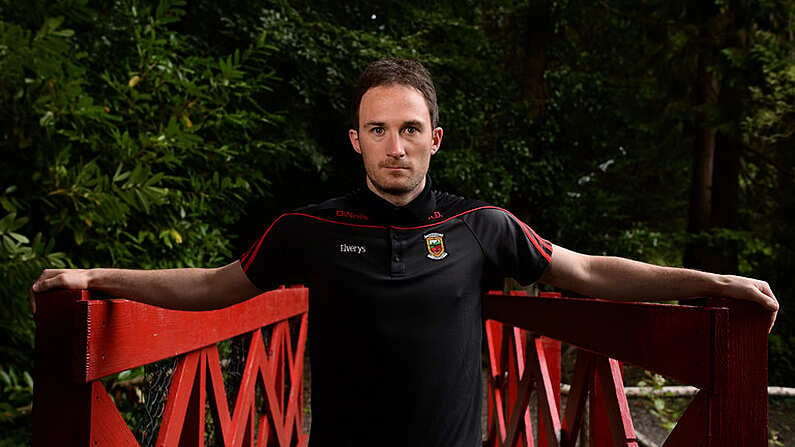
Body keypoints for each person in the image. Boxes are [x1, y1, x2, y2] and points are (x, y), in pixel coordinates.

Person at [31, 58, 778, 447]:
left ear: (435, 138)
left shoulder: (482, 224)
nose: (396, 145)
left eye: (411, 128)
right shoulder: (306, 229)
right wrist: (99, 276)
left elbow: (584, 272)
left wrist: (709, 281)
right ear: (355, 140)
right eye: (379, 129)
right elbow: (213, 286)